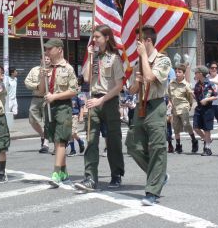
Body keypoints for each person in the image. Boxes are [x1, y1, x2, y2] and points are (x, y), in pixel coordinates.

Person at [124, 26, 171, 206]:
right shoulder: (138, 62)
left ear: (148, 41)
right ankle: (159, 175)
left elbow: (151, 77)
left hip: (156, 105)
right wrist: (136, 82)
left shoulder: (163, 60)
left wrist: (144, 56)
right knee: (133, 145)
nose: (136, 45)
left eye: (139, 41)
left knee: (157, 147)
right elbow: (132, 89)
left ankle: (152, 191)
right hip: (140, 106)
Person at [77, 24, 126, 191]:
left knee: (113, 140)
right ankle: (90, 178)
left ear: (106, 38)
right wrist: (90, 58)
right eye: (93, 36)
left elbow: (119, 86)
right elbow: (86, 78)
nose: (94, 39)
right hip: (93, 100)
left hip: (109, 101)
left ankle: (116, 174)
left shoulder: (114, 58)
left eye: (97, 37)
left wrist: (102, 100)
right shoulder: (94, 56)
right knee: (91, 139)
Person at [38, 38, 78, 188]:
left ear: (59, 49)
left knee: (61, 139)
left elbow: (73, 91)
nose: (47, 51)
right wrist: (43, 76)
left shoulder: (67, 68)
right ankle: (64, 173)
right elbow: (41, 91)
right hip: (49, 106)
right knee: (55, 140)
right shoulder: (47, 68)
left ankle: (55, 174)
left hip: (62, 106)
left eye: (50, 48)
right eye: (46, 49)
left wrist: (55, 96)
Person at [168, 64, 197, 154]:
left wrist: (189, 106)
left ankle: (194, 140)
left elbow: (190, 98)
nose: (177, 74)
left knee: (186, 124)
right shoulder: (171, 83)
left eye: (179, 72)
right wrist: (169, 102)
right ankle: (178, 145)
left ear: (184, 74)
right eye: (176, 72)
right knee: (176, 127)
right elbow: (169, 95)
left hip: (184, 106)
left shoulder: (186, 85)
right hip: (175, 108)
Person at [25, 55, 50, 153]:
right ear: (41, 59)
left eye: (48, 58)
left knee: (47, 121)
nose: (46, 60)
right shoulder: (34, 70)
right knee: (32, 120)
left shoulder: (53, 70)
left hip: (47, 98)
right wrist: (37, 86)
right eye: (45, 58)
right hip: (36, 98)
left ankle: (45, 144)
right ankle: (43, 135)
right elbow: (27, 82)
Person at [193, 65, 218, 156]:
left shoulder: (210, 84)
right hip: (199, 108)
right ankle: (207, 139)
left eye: (196, 73)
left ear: (200, 74)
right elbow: (196, 96)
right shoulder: (197, 84)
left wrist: (206, 100)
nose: (195, 74)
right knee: (195, 127)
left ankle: (207, 148)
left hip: (208, 109)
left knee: (207, 129)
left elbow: (216, 95)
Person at [68, 84, 86, 156]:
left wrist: (81, 116)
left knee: (72, 132)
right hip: (67, 116)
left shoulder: (78, 95)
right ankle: (73, 150)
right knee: (70, 133)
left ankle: (80, 141)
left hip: (74, 115)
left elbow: (82, 106)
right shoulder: (67, 94)